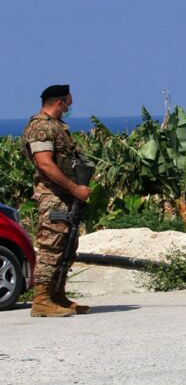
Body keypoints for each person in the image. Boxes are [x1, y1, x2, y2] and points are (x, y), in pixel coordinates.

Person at [20, 85, 91, 317]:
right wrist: (74, 188)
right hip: (52, 196)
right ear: (59, 102)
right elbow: (45, 164)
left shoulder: (57, 127)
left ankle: (57, 295)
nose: (69, 107)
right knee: (51, 245)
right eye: (68, 103)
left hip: (65, 195)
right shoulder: (41, 127)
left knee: (67, 247)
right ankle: (41, 299)